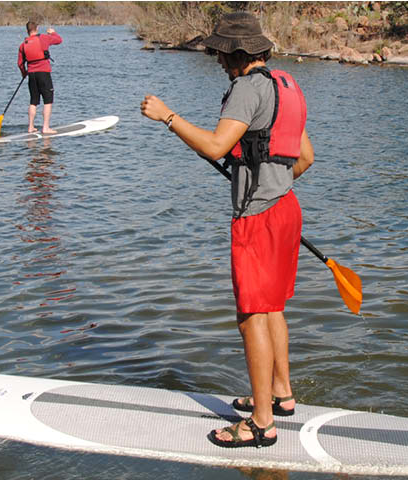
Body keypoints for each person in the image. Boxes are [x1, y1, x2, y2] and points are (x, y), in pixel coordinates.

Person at [140, 12, 314, 448]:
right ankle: (281, 395)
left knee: (251, 315)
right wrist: (270, 180)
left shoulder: (244, 89)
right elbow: (305, 157)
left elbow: (216, 145)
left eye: (219, 51)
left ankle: (260, 424)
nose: (216, 58)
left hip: (257, 218)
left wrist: (168, 117)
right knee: (272, 307)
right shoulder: (285, 86)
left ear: (237, 53)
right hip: (286, 209)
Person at [18, 21, 62, 134]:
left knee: (33, 101)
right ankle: (46, 128)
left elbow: (20, 64)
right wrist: (53, 33)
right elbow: (59, 40)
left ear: (27, 30)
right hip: (43, 73)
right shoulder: (43, 38)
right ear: (37, 28)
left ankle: (30, 127)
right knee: (48, 100)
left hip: (31, 75)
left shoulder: (23, 44)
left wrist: (24, 73)